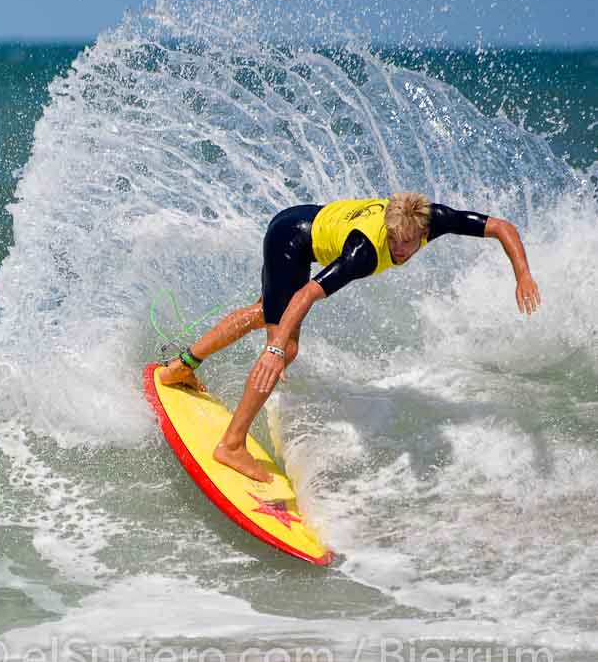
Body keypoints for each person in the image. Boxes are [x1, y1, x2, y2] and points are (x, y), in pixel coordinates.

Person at [156, 193, 541, 483]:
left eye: (407, 242)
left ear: (425, 231)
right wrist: (274, 349)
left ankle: (180, 368)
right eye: (394, 239)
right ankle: (232, 445)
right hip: (291, 239)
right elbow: (307, 294)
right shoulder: (364, 252)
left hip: (300, 219)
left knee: (264, 312)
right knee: (287, 344)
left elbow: (501, 227)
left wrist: (522, 274)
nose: (399, 249)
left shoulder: (432, 218)